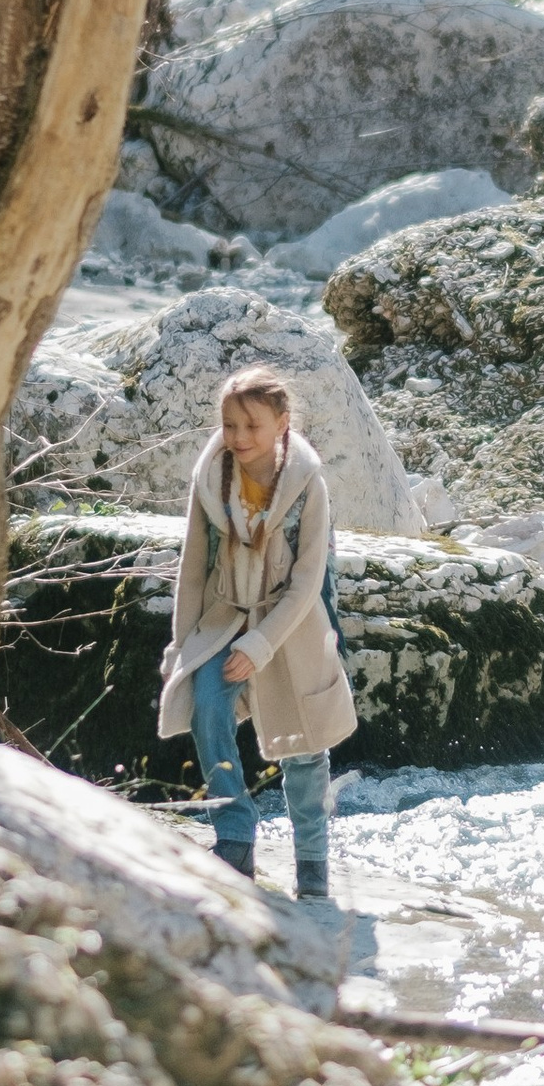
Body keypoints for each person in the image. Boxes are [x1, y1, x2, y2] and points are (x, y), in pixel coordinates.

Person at [156, 365, 355, 897]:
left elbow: (310, 578)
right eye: (229, 426)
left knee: (304, 745)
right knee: (207, 704)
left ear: (282, 424)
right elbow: (193, 571)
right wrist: (182, 645)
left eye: (252, 427)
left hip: (293, 625)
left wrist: (261, 643)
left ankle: (312, 862)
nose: (239, 439)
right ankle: (236, 833)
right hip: (223, 618)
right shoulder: (210, 480)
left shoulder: (309, 483)